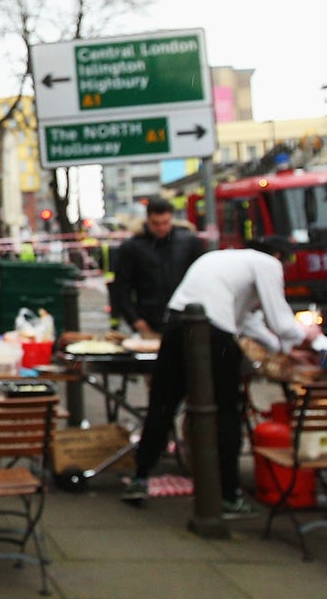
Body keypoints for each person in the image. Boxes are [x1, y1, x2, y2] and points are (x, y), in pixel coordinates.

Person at [122, 243, 313, 513]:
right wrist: (311, 337)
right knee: (226, 411)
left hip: (177, 324)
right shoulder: (268, 263)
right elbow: (280, 321)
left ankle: (140, 476)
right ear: (278, 256)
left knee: (163, 402)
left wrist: (281, 348)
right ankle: (228, 492)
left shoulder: (223, 260)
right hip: (213, 334)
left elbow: (247, 320)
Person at [109, 196, 205, 337]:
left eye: (165, 223)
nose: (161, 228)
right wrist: (135, 320)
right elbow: (121, 287)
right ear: (148, 219)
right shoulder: (132, 247)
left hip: (184, 320)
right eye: (156, 223)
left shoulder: (189, 242)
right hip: (150, 322)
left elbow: (201, 280)